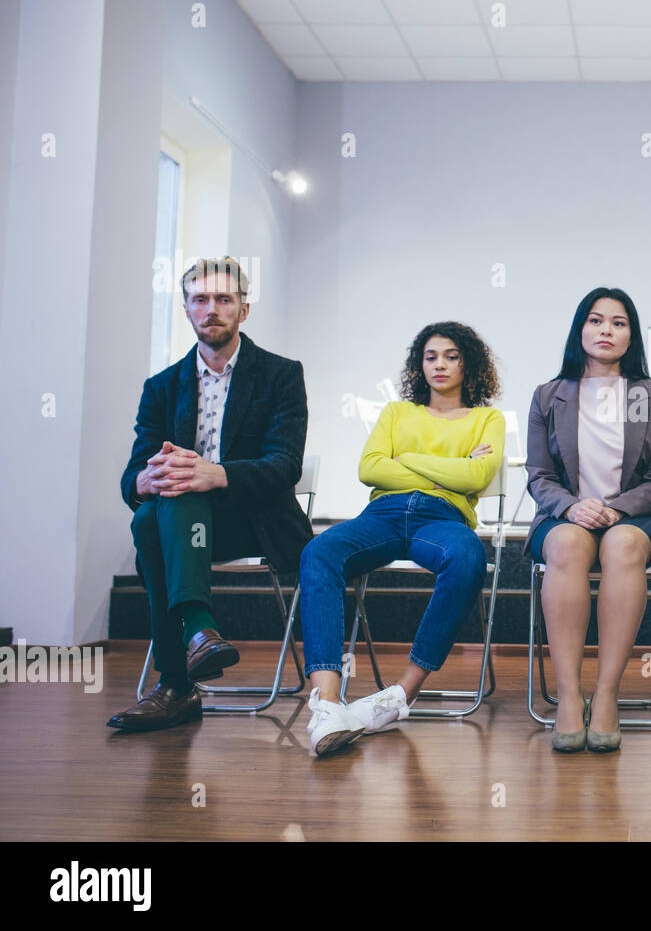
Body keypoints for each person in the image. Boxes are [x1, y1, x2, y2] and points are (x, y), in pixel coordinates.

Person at [109, 258, 312, 731]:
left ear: (244, 310)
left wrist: (211, 474)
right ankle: (200, 632)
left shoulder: (280, 375)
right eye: (200, 299)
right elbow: (132, 478)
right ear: (186, 310)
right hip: (185, 527)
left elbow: (284, 467)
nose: (211, 309)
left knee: (155, 520)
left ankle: (176, 685)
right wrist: (148, 479)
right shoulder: (161, 387)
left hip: (253, 523)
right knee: (158, 507)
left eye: (224, 299)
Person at [299, 322, 504, 757]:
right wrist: (448, 466)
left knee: (467, 557)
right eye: (431, 356)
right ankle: (328, 704)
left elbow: (478, 476)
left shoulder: (488, 418)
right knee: (320, 551)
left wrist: (405, 458)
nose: (440, 365)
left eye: (451, 356)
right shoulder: (397, 412)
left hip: (443, 518)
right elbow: (370, 469)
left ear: (469, 363)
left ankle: (400, 695)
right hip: (384, 515)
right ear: (419, 364)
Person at [526, 288, 651, 753]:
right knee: (569, 544)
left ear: (632, 336)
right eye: (596, 320)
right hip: (563, 517)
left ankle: (607, 692)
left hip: (638, 517)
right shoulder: (550, 396)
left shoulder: (649, 396)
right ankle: (569, 695)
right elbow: (539, 476)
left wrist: (616, 509)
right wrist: (571, 506)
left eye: (618, 322)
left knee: (622, 545)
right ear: (580, 330)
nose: (606, 330)